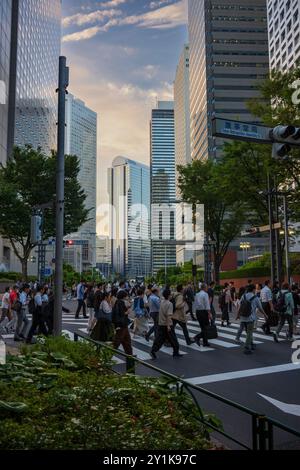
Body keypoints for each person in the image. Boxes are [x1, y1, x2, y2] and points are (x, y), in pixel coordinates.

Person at [150, 289, 182, 360]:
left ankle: (153, 351)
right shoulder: (169, 304)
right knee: (173, 339)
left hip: (161, 324)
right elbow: (168, 315)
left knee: (159, 339)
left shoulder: (161, 302)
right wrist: (168, 326)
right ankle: (175, 353)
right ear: (168, 295)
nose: (171, 296)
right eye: (170, 294)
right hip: (167, 324)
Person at [239, 284, 266, 354]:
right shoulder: (255, 297)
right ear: (253, 289)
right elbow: (260, 308)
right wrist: (265, 315)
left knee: (248, 332)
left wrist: (237, 315)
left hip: (243, 317)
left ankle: (251, 343)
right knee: (249, 332)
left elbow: (240, 306)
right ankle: (246, 347)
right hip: (250, 318)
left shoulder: (243, 296)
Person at [112, 290, 133, 355]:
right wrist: (127, 311)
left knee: (127, 341)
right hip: (122, 324)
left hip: (122, 324)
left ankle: (130, 356)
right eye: (126, 295)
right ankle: (107, 356)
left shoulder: (117, 302)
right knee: (117, 342)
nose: (127, 297)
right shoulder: (120, 302)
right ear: (123, 296)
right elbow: (122, 313)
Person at [193, 283, 212, 348]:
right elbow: (207, 305)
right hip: (203, 312)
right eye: (206, 287)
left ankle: (205, 342)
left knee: (202, 327)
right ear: (204, 288)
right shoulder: (205, 294)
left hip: (198, 312)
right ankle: (197, 337)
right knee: (206, 327)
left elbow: (195, 304)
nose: (207, 288)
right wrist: (209, 313)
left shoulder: (197, 294)